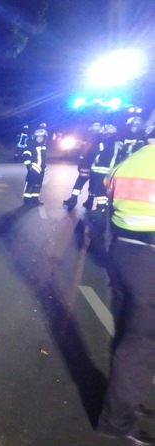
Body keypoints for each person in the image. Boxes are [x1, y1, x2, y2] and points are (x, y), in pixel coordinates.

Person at [96, 138, 155, 446]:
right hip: (149, 259)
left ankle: (125, 403)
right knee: (140, 345)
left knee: (128, 337)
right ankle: (117, 421)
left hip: (123, 254)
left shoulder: (131, 160)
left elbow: (109, 189)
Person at [63, 122, 102, 211]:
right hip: (96, 167)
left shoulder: (90, 138)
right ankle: (89, 203)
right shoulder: (102, 139)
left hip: (86, 165)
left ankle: (73, 201)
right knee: (92, 186)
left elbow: (85, 152)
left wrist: (81, 163)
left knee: (79, 183)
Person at [87, 124, 120, 213]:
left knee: (99, 191)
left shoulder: (104, 142)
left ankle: (100, 209)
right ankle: (106, 209)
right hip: (112, 171)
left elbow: (93, 152)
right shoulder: (119, 142)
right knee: (108, 190)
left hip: (99, 169)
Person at [22, 127, 48, 206]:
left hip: (41, 169)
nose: (40, 139)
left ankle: (35, 199)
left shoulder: (43, 147)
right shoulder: (31, 145)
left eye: (42, 137)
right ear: (35, 137)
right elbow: (26, 155)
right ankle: (27, 200)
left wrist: (44, 167)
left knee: (38, 185)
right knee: (30, 184)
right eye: (38, 137)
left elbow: (43, 158)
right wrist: (29, 166)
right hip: (33, 168)